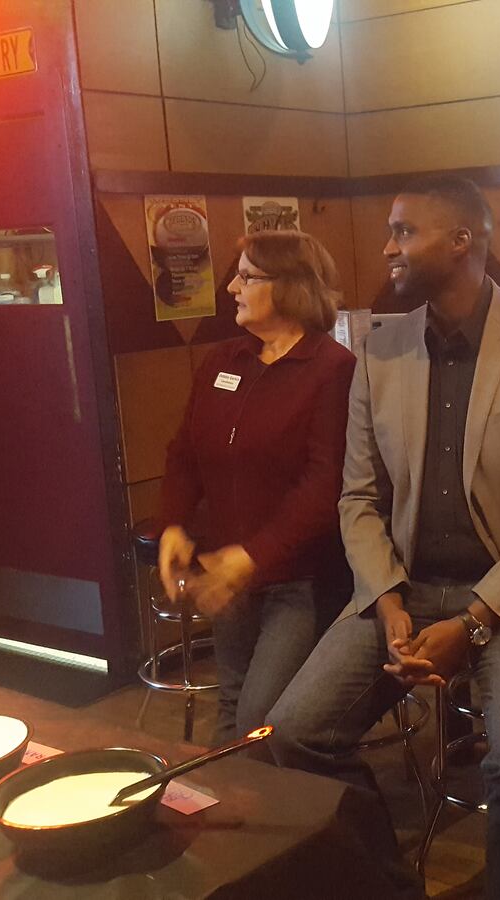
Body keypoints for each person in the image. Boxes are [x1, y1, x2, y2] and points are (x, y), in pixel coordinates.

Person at [266, 176, 500, 900]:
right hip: (403, 588)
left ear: (462, 241)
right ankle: (390, 886)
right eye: (390, 230)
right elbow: (358, 496)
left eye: (404, 231)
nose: (388, 246)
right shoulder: (380, 348)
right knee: (296, 732)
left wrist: (474, 623)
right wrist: (386, 600)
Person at [156, 230, 356, 746]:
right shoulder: (224, 360)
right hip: (229, 574)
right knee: (231, 704)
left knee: (257, 722)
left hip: (300, 582)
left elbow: (324, 486)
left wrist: (253, 555)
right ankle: (233, 816)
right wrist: (174, 523)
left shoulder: (332, 369)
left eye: (247, 276)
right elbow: (184, 454)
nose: (231, 288)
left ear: (290, 286)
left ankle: (300, 820)